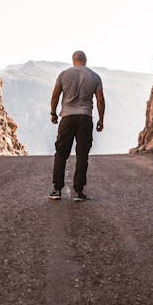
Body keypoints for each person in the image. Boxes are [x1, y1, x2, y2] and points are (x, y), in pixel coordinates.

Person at [48, 50, 105, 201]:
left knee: (61, 153)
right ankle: (79, 192)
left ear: (73, 60)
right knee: (82, 154)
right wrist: (101, 119)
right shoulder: (94, 76)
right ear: (85, 60)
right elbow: (100, 99)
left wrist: (53, 113)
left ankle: (57, 189)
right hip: (85, 117)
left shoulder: (64, 74)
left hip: (67, 116)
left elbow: (55, 95)